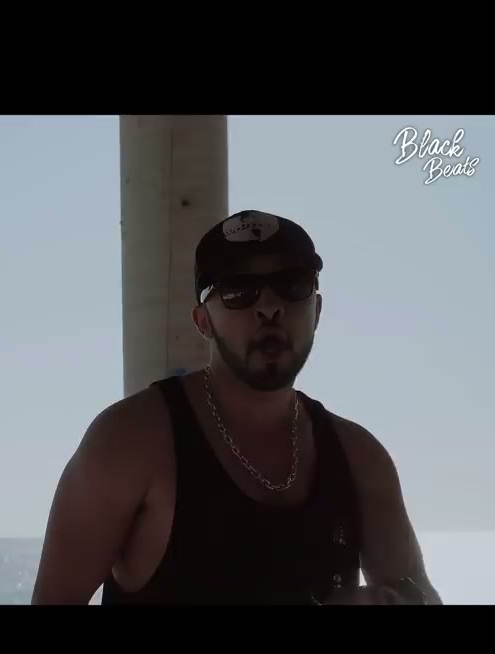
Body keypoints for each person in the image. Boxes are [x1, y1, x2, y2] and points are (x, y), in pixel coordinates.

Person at [31, 210, 440, 606]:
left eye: (293, 284)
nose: (269, 307)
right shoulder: (128, 443)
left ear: (317, 310)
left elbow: (416, 592)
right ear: (203, 321)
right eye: (238, 291)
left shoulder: (360, 457)